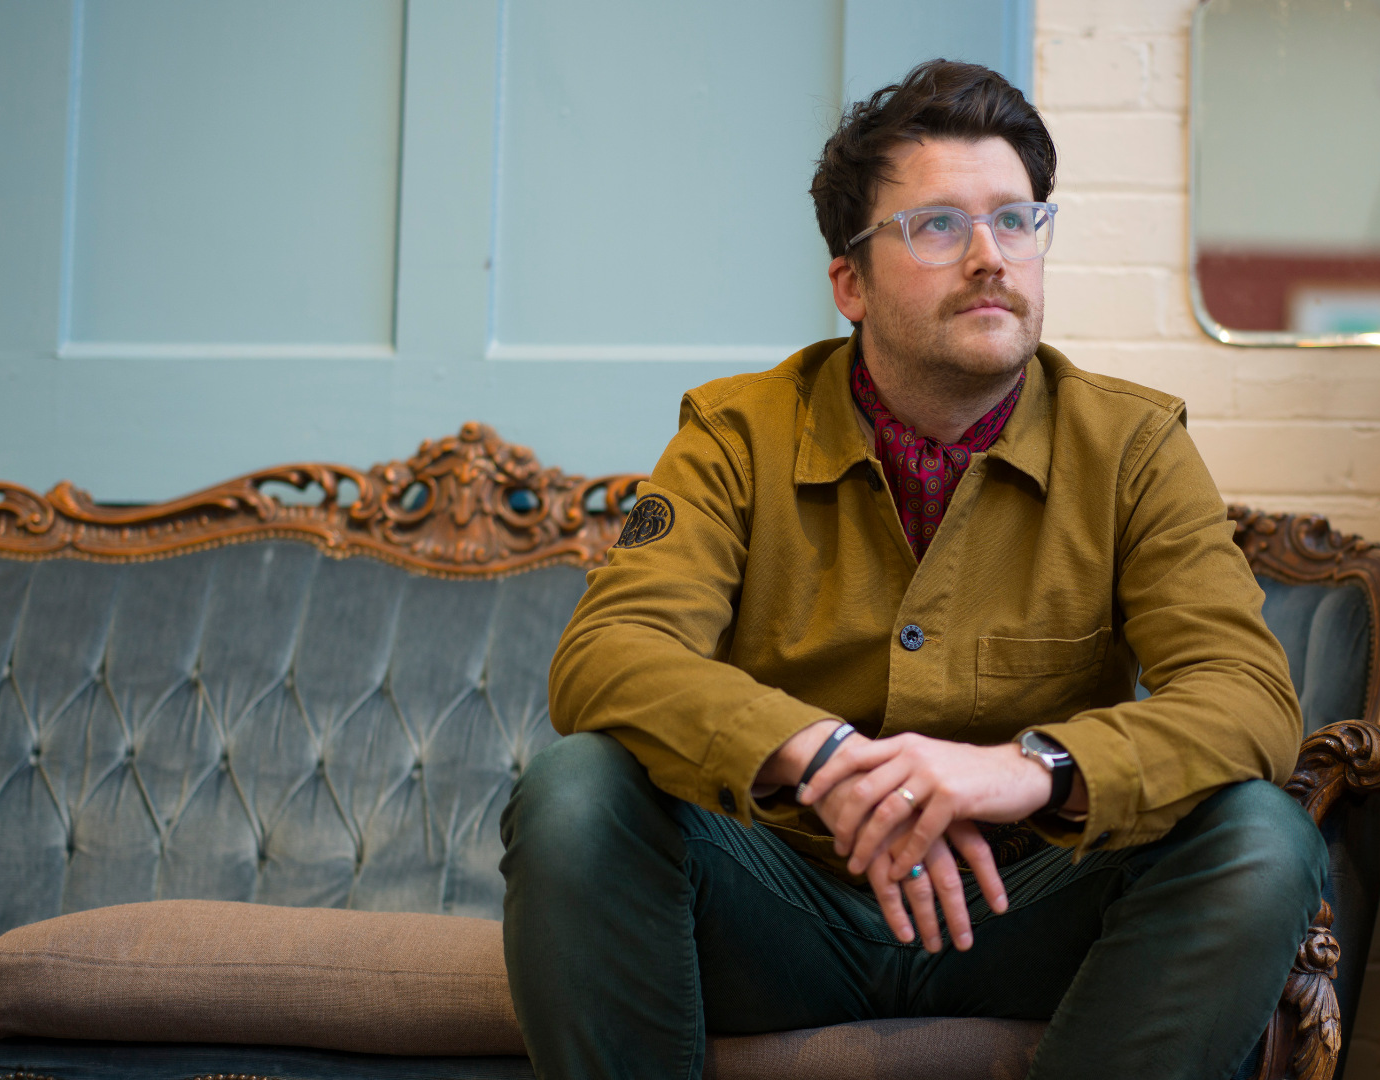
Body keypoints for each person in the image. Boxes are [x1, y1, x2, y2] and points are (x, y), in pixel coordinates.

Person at [500, 59, 1327, 1080]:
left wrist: (1031, 770)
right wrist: (824, 758)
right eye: (938, 226)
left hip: (1030, 915)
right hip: (785, 916)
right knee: (578, 790)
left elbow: (1247, 698)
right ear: (849, 281)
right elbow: (608, 655)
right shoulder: (734, 433)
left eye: (1016, 221)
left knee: (1264, 838)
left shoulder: (1133, 447)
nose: (991, 257)